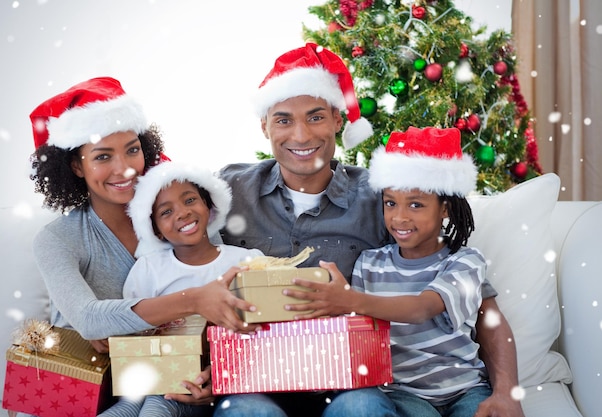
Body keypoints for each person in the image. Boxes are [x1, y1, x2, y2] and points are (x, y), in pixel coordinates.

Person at [216, 44, 525, 417]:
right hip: (257, 379)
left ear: (337, 119)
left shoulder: (382, 198)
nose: (300, 135)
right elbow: (172, 250)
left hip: (347, 383)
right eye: (283, 120)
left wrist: (506, 391)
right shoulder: (226, 192)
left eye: (315, 117)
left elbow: (480, 307)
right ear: (264, 126)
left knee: (362, 408)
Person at [27, 77, 257, 416]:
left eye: (132, 150)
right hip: (94, 386)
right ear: (76, 165)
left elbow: (224, 294)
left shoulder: (181, 217)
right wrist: (193, 299)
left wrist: (218, 376)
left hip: (178, 382)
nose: (125, 168)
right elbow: (89, 321)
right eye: (103, 156)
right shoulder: (57, 239)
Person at [298, 126, 492, 416]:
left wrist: (350, 299)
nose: (399, 217)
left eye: (416, 204)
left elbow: (422, 308)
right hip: (401, 393)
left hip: (464, 389)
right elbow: (360, 333)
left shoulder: (465, 262)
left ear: (445, 209)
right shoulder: (369, 263)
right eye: (390, 203)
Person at [101, 161, 264, 417]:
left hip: (208, 383)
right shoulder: (149, 269)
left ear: (209, 206)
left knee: (157, 409)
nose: (182, 213)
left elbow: (265, 330)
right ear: (156, 229)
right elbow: (130, 331)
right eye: (166, 212)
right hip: (154, 375)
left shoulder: (246, 262)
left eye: (190, 200)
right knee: (125, 409)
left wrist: (221, 375)